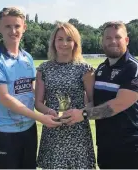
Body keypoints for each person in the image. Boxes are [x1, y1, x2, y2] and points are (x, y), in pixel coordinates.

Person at [62, 21, 138, 169]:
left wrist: (82, 114)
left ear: (126, 40)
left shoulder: (134, 68)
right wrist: (69, 110)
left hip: (130, 144)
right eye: (108, 38)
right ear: (102, 41)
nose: (113, 41)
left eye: (118, 37)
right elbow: (93, 100)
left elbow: (117, 105)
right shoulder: (101, 68)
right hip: (105, 143)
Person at [0, 7, 61, 169]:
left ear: (24, 27)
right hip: (5, 132)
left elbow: (31, 91)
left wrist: (46, 110)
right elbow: (4, 98)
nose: (13, 30)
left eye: (17, 26)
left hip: (29, 129)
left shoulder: (27, 58)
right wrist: (40, 117)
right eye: (7, 26)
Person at [35, 22, 96, 169]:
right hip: (52, 131)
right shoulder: (44, 69)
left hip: (78, 132)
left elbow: (94, 102)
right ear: (53, 42)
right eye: (60, 39)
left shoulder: (85, 69)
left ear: (75, 43)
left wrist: (81, 113)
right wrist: (49, 112)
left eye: (69, 39)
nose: (64, 43)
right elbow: (38, 102)